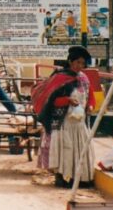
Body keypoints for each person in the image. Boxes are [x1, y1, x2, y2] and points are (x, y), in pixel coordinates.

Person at [37, 46, 96, 187]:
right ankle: (63, 178)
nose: (80, 66)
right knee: (65, 151)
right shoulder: (59, 78)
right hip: (64, 123)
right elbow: (51, 101)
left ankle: (80, 179)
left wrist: (90, 106)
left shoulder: (84, 78)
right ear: (70, 61)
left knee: (80, 151)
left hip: (80, 123)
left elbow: (90, 95)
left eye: (82, 63)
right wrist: (67, 100)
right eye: (77, 62)